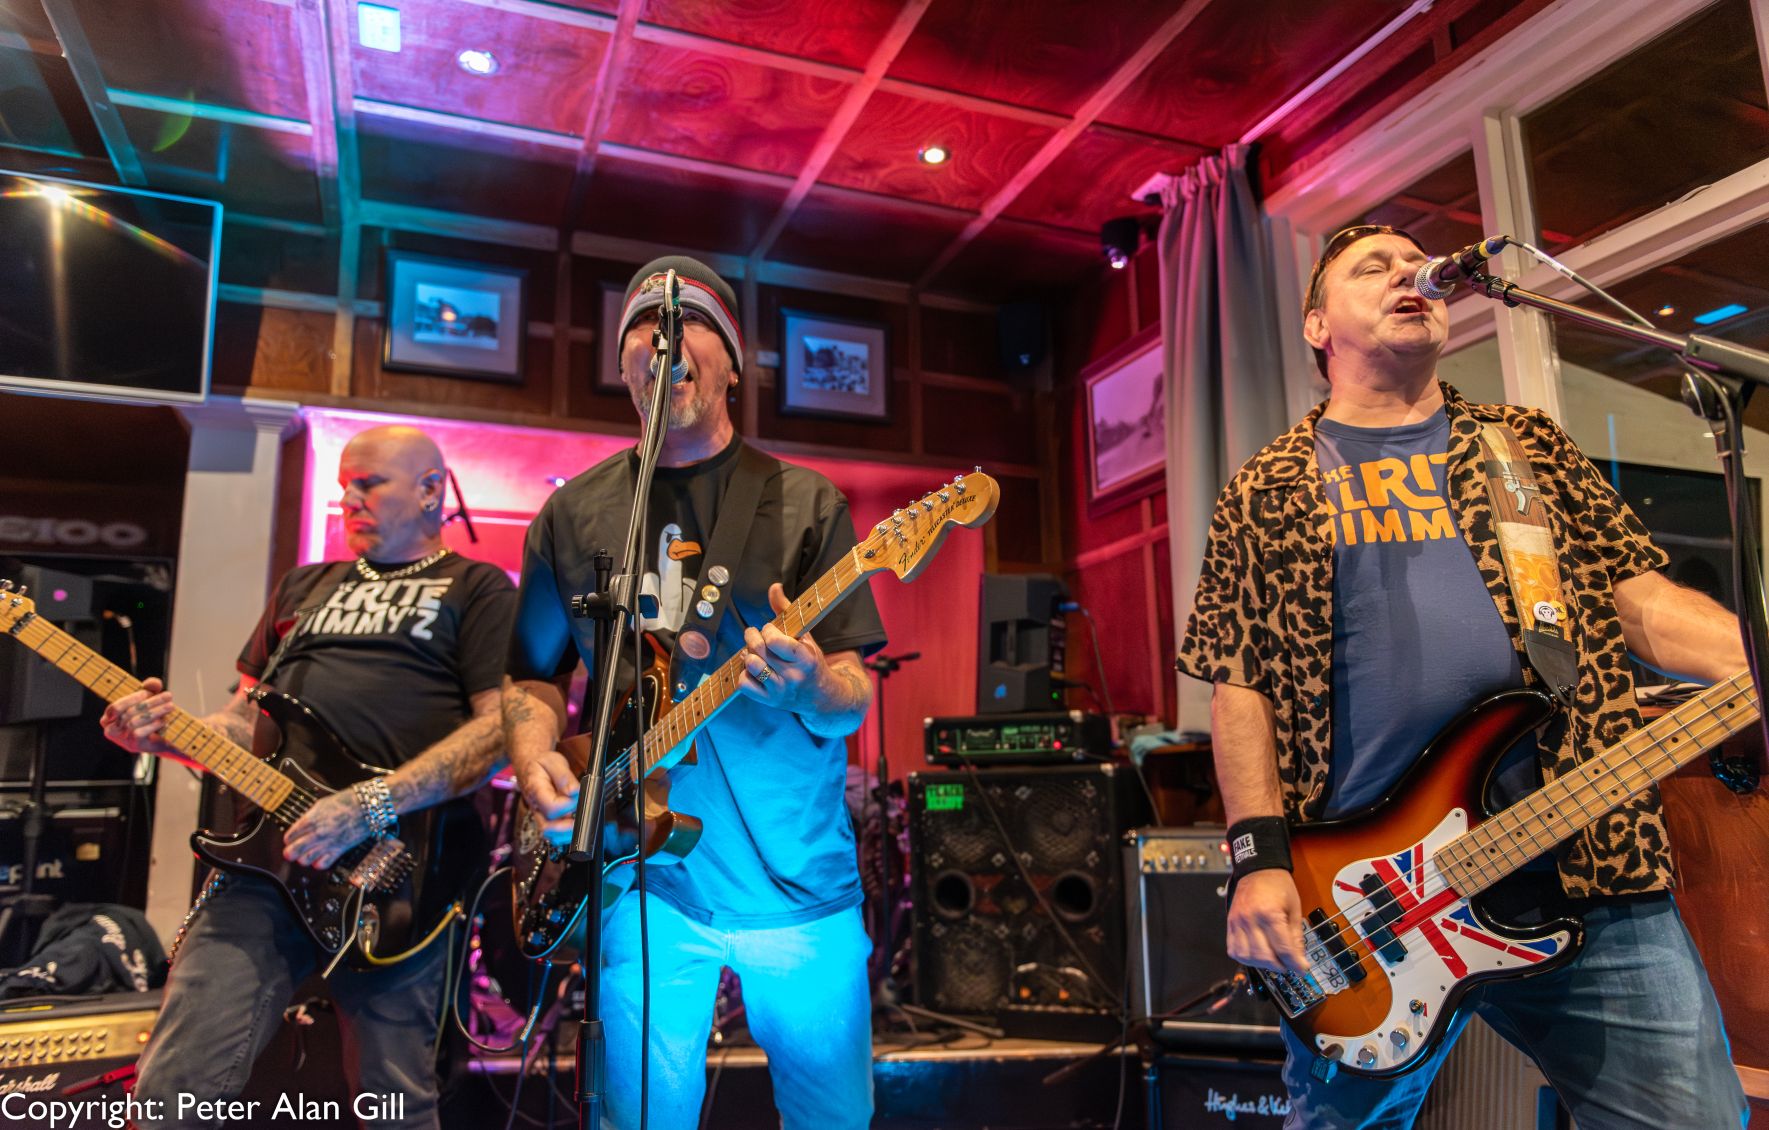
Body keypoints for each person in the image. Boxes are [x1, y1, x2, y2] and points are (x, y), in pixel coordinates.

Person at [1176, 224, 1749, 1129]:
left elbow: (1638, 603)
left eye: (1416, 264)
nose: (1409, 274)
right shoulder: (1268, 485)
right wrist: (1258, 861)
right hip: (1367, 898)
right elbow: (1238, 683)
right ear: (1317, 326)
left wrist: (1751, 665)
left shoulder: (1523, 446)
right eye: (1373, 268)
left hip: (1587, 863)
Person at [503, 256, 886, 1130]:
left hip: (797, 880)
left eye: (690, 323)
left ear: (733, 364)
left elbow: (854, 696)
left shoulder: (803, 502)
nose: (663, 337)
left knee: (830, 1120)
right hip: (641, 878)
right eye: (643, 325)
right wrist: (534, 765)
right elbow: (530, 676)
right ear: (624, 366)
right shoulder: (574, 514)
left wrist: (811, 687)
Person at [101, 425, 515, 1130]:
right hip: (265, 863)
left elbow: (501, 729)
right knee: (175, 1084)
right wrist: (165, 736)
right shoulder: (304, 586)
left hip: (401, 872)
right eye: (345, 484)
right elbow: (244, 720)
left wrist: (372, 804)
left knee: (393, 1100)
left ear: (430, 491)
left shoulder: (476, 589)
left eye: (369, 483)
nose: (348, 498)